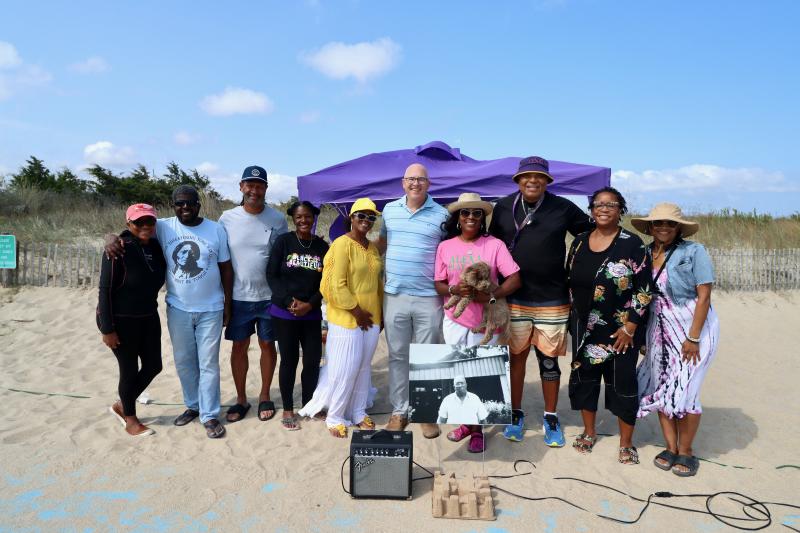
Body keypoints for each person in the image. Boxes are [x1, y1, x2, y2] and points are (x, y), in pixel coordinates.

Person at [104, 185, 233, 439]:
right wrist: (110, 237)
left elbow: (226, 268)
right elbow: (133, 229)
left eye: (190, 202)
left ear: (198, 205)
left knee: (208, 363)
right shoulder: (163, 226)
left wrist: (228, 304)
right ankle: (193, 406)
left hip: (211, 308)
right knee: (184, 361)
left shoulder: (216, 229)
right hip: (178, 308)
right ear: (173, 206)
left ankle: (209, 415)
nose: (185, 207)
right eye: (179, 203)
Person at [489, 156, 593, 446]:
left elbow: (591, 236)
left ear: (547, 181)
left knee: (548, 361)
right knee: (516, 358)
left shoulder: (563, 207)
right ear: (518, 180)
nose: (532, 181)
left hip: (552, 298)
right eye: (526, 176)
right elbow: (491, 246)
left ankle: (550, 416)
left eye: (539, 177)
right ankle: (516, 414)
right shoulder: (503, 207)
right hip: (514, 298)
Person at [566, 187, 652, 465]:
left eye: (611, 204)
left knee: (623, 383)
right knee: (586, 380)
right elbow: (569, 279)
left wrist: (631, 327)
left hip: (620, 330)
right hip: (584, 326)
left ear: (620, 210)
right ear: (591, 209)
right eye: (598, 204)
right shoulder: (579, 241)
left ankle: (626, 443)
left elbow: (644, 290)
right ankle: (589, 432)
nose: (603, 208)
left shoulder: (633, 243)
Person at [633, 203, 719, 477]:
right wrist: (643, 335)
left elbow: (704, 296)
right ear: (650, 227)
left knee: (687, 388)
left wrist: (693, 337)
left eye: (670, 223)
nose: (664, 227)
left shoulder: (694, 251)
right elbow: (642, 298)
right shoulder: (644, 253)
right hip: (658, 328)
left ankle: (687, 451)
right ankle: (670, 447)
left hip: (693, 327)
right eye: (658, 223)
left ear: (679, 228)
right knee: (663, 385)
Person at [434, 193, 521, 452]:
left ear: (483, 218)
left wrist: (492, 296)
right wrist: (454, 290)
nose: (470, 217)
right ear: (458, 218)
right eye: (465, 212)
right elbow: (438, 284)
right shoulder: (445, 246)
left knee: (482, 375)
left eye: (476, 213)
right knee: (460, 375)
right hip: (455, 320)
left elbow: (514, 279)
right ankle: (466, 424)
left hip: (485, 323)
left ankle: (478, 431)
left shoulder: (494, 245)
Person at [298, 198, 383, 438]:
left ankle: (358, 411)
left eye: (371, 217)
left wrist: (380, 315)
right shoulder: (341, 245)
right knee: (344, 368)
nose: (366, 220)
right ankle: (335, 416)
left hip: (372, 319)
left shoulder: (372, 248)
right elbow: (333, 285)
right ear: (351, 218)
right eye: (361, 216)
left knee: (363, 368)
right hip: (347, 319)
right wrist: (356, 311)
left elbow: (377, 284)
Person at [377, 163, 449, 438]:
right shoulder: (389, 210)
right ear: (403, 182)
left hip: (429, 297)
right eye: (410, 179)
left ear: (428, 184)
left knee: (427, 356)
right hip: (394, 295)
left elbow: (448, 251)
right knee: (397, 355)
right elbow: (382, 244)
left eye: (420, 179)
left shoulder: (442, 214)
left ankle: (426, 412)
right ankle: (400, 411)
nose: (415, 183)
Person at [218, 165, 289, 423]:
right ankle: (241, 399)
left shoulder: (277, 219)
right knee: (239, 346)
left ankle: (265, 395)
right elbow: (218, 257)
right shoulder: (226, 218)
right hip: (238, 297)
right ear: (241, 187)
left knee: (267, 345)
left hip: (269, 297)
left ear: (266, 189)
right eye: (250, 185)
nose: (254, 191)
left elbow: (284, 256)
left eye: (259, 186)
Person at [99, 203, 166, 437]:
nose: (145, 226)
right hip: (120, 320)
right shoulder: (118, 248)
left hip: (148, 316)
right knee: (128, 370)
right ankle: (130, 418)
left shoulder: (156, 246)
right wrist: (107, 329)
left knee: (154, 366)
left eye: (150, 221)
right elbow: (104, 290)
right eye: (139, 222)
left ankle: (121, 404)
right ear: (129, 223)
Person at [266, 201, 329, 430]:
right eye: (299, 216)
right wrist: (289, 302)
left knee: (312, 360)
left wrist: (310, 304)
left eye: (308, 216)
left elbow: (326, 282)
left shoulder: (322, 246)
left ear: (314, 218)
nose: (304, 220)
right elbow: (271, 275)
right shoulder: (283, 242)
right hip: (284, 313)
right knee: (289, 360)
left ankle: (309, 404)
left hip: (311, 314)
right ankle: (288, 409)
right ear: (293, 218)